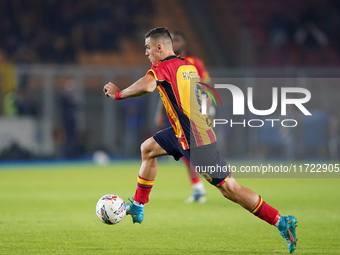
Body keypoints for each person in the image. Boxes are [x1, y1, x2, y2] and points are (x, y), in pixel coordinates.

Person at [103, 27, 298, 254]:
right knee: (147, 148)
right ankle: (138, 206)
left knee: (230, 190)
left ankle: (281, 221)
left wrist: (119, 94)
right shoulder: (187, 66)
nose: (146, 52)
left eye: (147, 47)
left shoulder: (162, 67)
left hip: (196, 140)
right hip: (182, 133)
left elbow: (147, 86)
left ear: (159, 47)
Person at [154, 31, 210, 203]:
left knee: (195, 152)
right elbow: (164, 91)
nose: (175, 42)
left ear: (184, 42)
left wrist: (207, 112)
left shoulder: (194, 63)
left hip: (196, 113)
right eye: (172, 40)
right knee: (187, 150)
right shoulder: (164, 64)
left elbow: (206, 88)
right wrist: (160, 112)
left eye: (177, 39)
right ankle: (198, 186)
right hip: (179, 116)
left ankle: (206, 185)